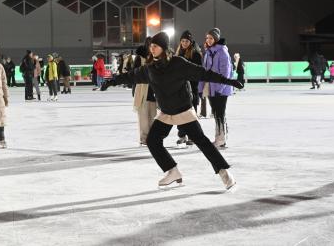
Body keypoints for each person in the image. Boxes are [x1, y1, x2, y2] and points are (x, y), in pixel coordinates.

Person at [101, 32, 243, 189]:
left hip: (183, 110)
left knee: (201, 141)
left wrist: (228, 81)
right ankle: (172, 171)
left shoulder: (178, 63)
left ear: (163, 48)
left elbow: (203, 73)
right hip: (166, 112)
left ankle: (224, 172)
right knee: (152, 141)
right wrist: (111, 82)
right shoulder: (150, 68)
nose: (152, 49)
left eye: (155, 46)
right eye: (151, 46)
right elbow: (131, 76)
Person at [198, 28, 234, 148]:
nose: (208, 40)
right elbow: (204, 72)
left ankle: (221, 138)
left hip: (221, 89)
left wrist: (220, 88)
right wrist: (200, 87)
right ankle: (219, 137)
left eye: (211, 38)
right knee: (216, 112)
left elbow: (226, 72)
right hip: (211, 87)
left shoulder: (222, 52)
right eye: (207, 38)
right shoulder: (208, 52)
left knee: (220, 113)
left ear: (216, 39)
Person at [175, 30, 202, 146]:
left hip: (192, 88)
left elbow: (198, 71)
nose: (184, 43)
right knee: (179, 113)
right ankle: (182, 135)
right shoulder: (178, 54)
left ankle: (192, 136)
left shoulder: (195, 54)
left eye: (186, 41)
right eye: (182, 41)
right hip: (179, 89)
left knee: (191, 113)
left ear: (190, 42)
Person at [133, 37, 157, 146]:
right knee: (143, 118)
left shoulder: (157, 57)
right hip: (142, 91)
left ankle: (152, 138)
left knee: (153, 117)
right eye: (149, 45)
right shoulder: (140, 58)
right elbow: (133, 74)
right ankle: (144, 139)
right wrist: (134, 89)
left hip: (154, 92)